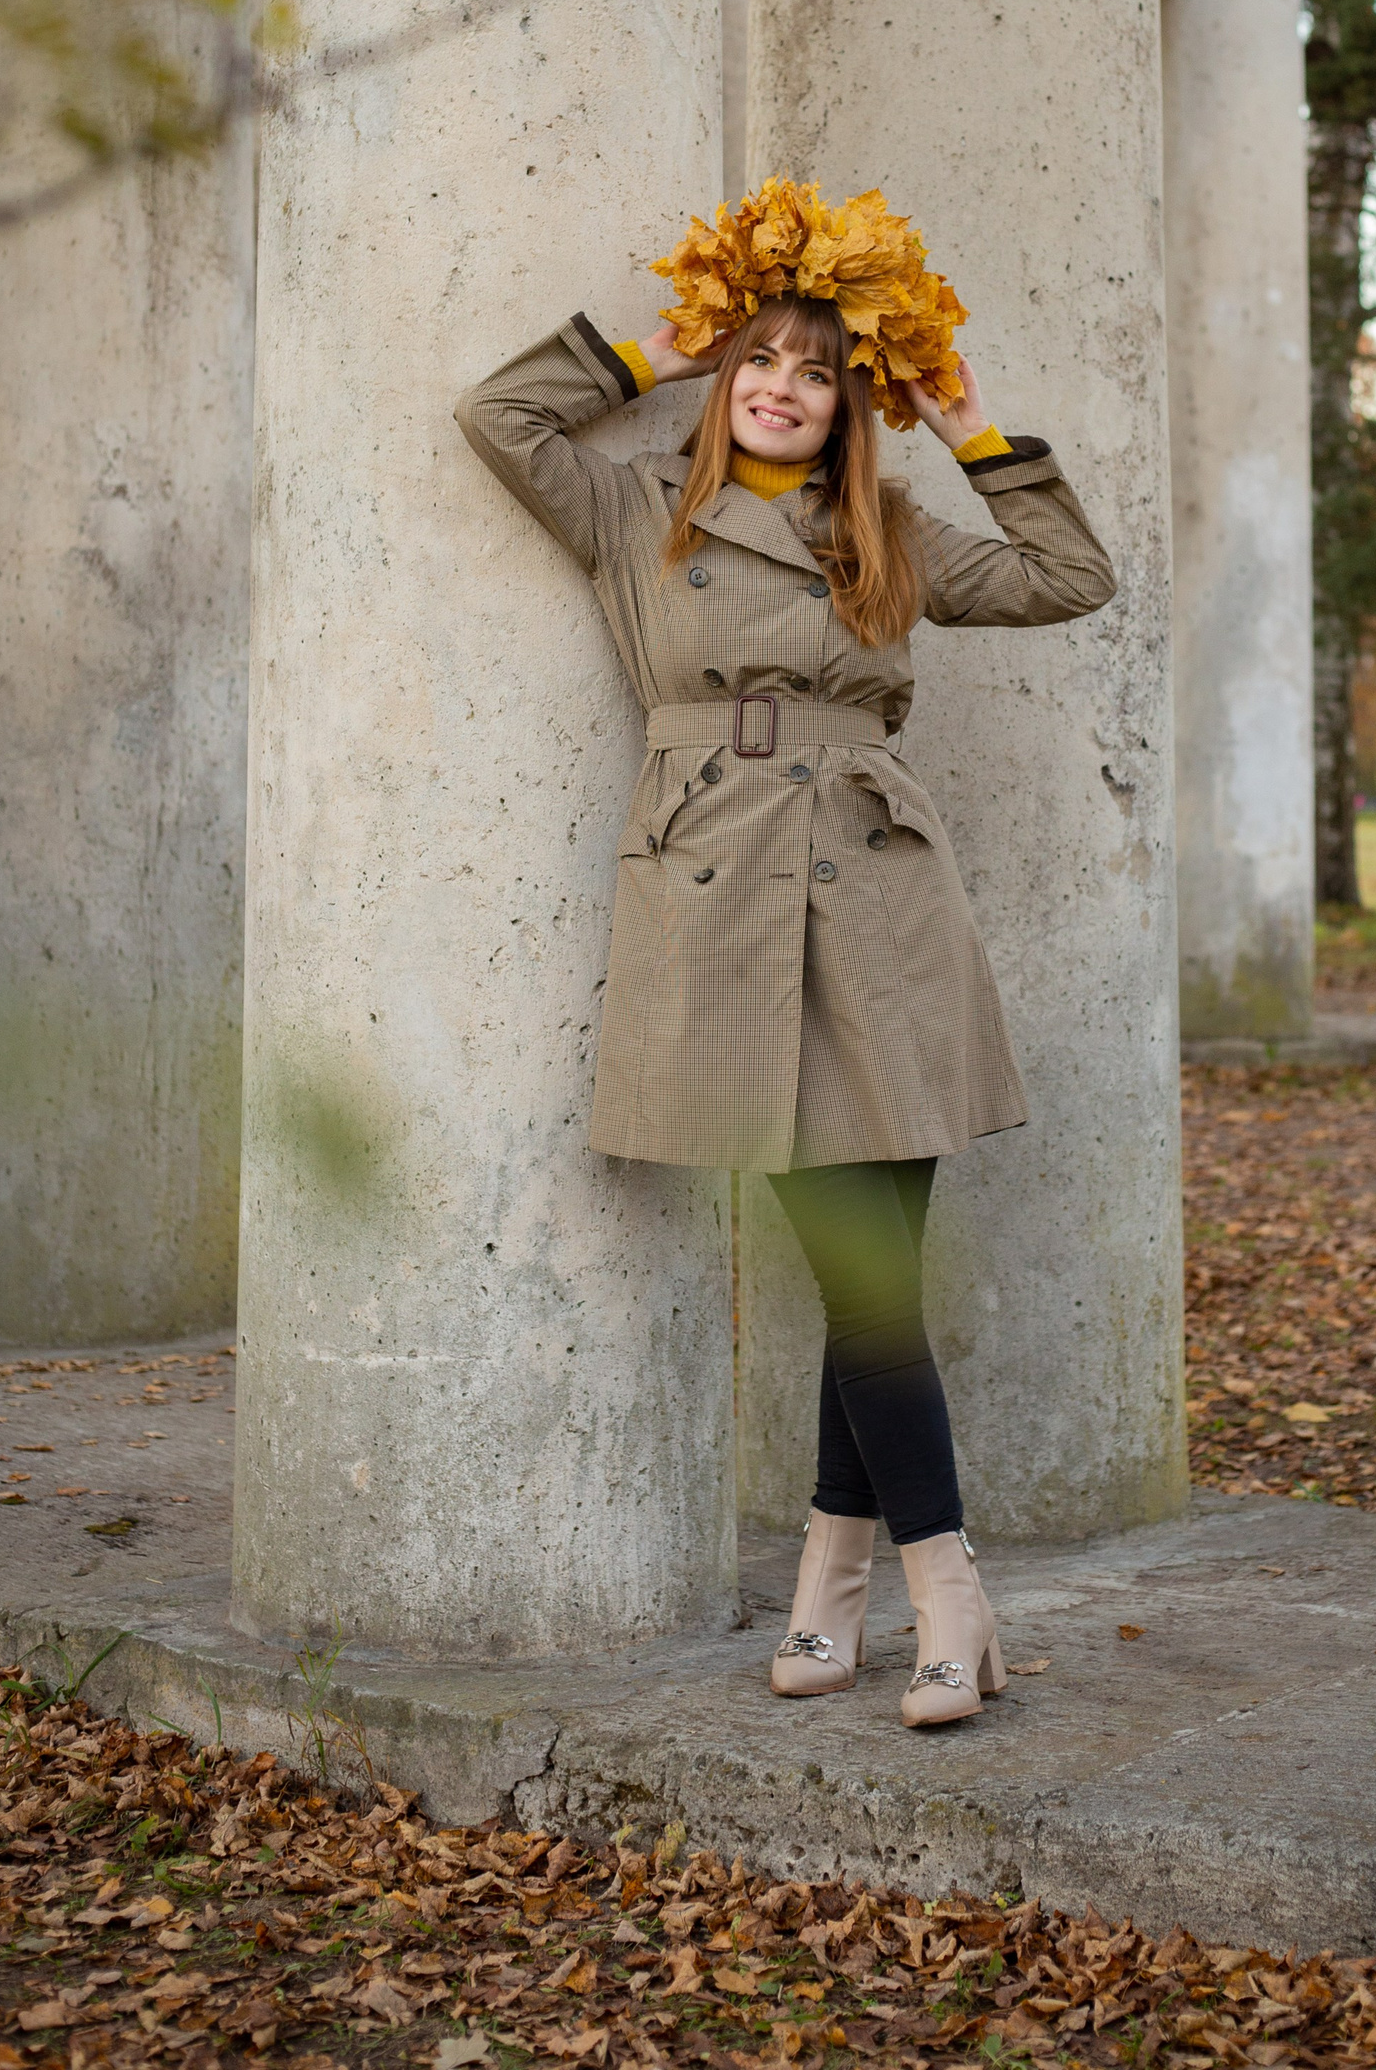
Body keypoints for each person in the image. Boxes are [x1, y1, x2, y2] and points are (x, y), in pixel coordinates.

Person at [455, 218, 1116, 1728]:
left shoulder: (883, 527)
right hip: (725, 892)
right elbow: (499, 416)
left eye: (816, 374)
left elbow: (1069, 576)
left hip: (882, 895)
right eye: (759, 360)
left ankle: (834, 1591)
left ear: (847, 405)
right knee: (863, 1274)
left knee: (873, 1272)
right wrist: (655, 351)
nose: (780, 389)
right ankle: (951, 1591)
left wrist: (968, 426)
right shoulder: (637, 507)